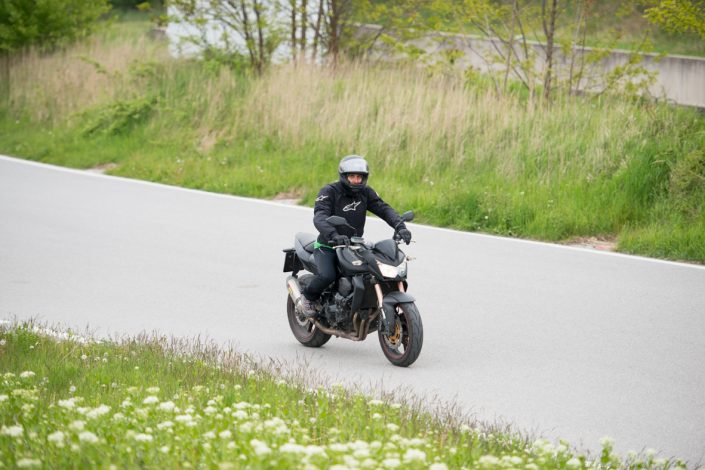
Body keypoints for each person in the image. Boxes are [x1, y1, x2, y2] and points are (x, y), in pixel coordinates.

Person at [300, 155, 412, 317]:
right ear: (344, 176)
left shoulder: (365, 193)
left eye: (359, 177)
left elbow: (383, 209)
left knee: (373, 272)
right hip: (328, 245)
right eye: (352, 176)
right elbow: (320, 217)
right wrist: (333, 234)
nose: (356, 180)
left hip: (354, 246)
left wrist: (400, 227)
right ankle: (308, 297)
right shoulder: (329, 192)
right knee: (327, 275)